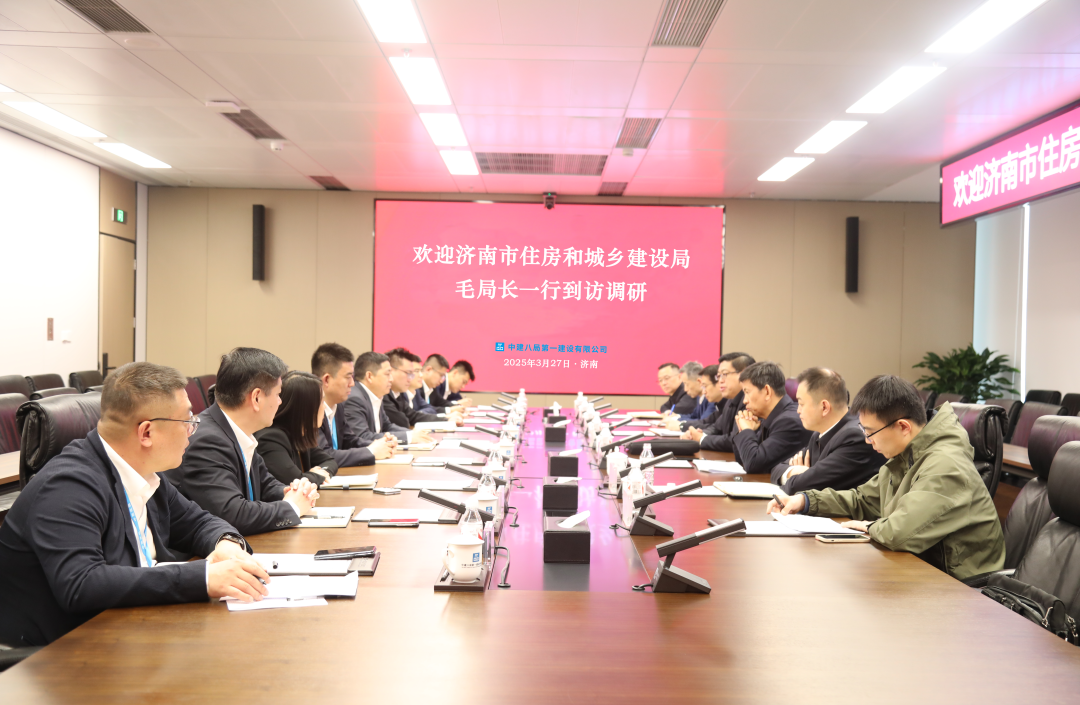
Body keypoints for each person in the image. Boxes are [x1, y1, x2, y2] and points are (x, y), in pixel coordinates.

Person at [0, 362, 271, 646]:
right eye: (186, 421)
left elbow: (198, 522)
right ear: (146, 433)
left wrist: (226, 543)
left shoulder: (145, 474)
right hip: (64, 651)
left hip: (133, 629)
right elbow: (82, 584)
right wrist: (202, 578)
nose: (193, 430)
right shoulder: (67, 486)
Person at [767, 375, 1005, 580]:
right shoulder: (905, 455)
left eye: (871, 432)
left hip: (961, 589)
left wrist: (869, 527)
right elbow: (862, 499)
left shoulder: (946, 465)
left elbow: (899, 533)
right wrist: (806, 500)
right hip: (919, 571)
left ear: (903, 427)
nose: (867, 440)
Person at [166, 347, 319, 535]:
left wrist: (294, 492)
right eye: (278, 394)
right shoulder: (207, 440)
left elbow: (265, 485)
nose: (280, 402)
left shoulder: (238, 431)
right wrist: (292, 507)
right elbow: (233, 514)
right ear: (256, 398)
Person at [769, 367, 884, 493]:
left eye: (801, 404)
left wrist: (804, 477)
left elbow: (799, 487)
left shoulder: (855, 437)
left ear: (824, 407)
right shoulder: (820, 433)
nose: (798, 410)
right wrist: (794, 471)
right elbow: (776, 470)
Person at [311, 343, 394, 468]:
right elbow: (324, 456)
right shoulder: (310, 410)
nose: (352, 384)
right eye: (348, 377)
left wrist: (381, 445)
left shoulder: (338, 406)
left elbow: (349, 440)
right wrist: (371, 451)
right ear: (327, 379)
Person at [255, 371, 339, 487]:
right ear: (305, 408)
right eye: (321, 401)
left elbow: (330, 461)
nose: (324, 406)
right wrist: (316, 476)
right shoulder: (270, 438)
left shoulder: (300, 433)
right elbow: (294, 481)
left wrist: (320, 473)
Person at [731, 361, 812, 474]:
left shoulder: (789, 422)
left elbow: (753, 464)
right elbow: (742, 460)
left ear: (767, 391)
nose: (744, 401)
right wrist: (742, 428)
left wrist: (746, 430)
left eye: (747, 392)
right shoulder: (766, 417)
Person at [342, 351, 433, 446]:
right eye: (387, 374)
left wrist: (412, 434)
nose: (391, 379)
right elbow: (362, 436)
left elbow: (387, 426)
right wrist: (408, 437)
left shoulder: (376, 395)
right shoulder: (354, 399)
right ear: (369, 376)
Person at [682, 352, 755, 450]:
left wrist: (702, 439)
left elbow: (735, 440)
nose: (720, 380)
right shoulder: (730, 400)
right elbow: (717, 427)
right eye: (719, 376)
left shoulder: (751, 401)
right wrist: (698, 434)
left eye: (724, 374)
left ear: (743, 374)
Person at [384, 348, 463, 429]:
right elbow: (404, 422)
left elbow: (413, 416)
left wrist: (446, 420)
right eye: (408, 373)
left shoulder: (398, 394)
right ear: (390, 371)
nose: (411, 378)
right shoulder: (384, 395)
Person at [664, 361, 712, 429]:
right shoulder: (699, 397)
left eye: (687, 384)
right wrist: (676, 417)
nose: (685, 389)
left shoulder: (712, 398)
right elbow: (693, 416)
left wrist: (681, 425)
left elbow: (704, 422)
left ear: (699, 381)